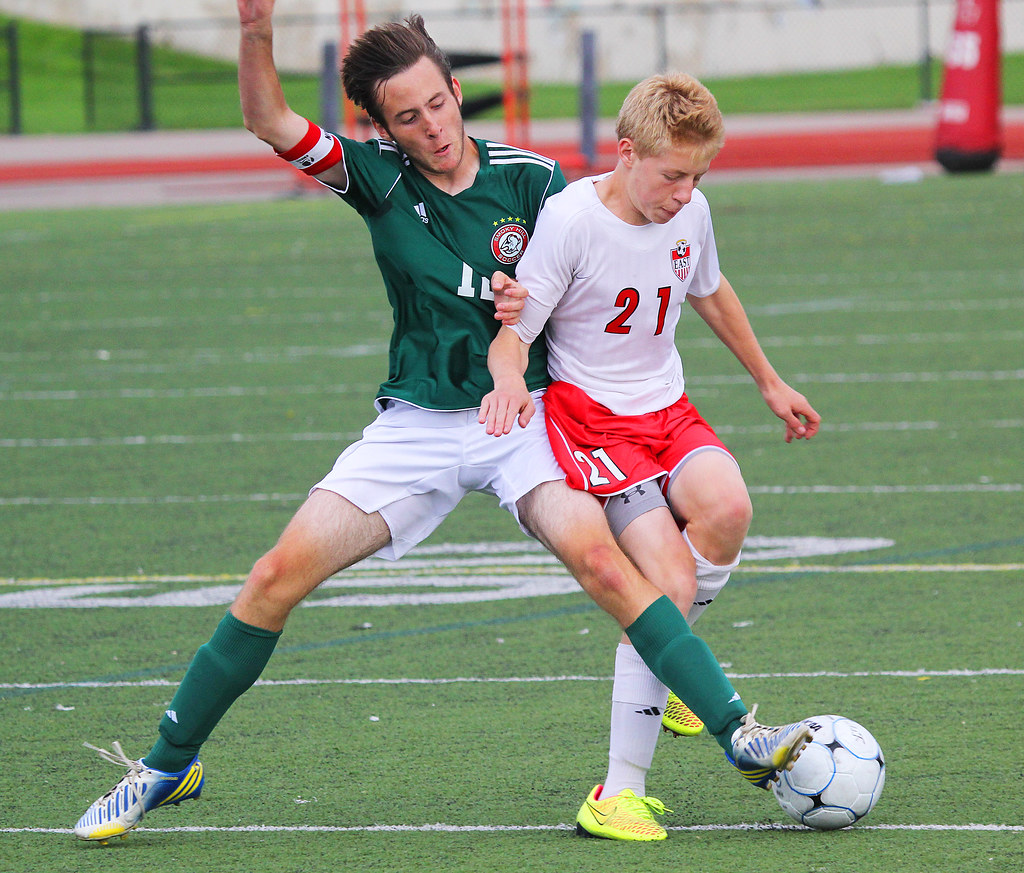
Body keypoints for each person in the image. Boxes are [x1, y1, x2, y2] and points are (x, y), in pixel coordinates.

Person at [73, 4, 812, 845]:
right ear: (382, 126)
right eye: (407, 116)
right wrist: (254, 32)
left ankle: (737, 733)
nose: (433, 127)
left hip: (525, 417)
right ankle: (167, 764)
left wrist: (544, 315)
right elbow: (268, 120)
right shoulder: (374, 178)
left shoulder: (534, 180)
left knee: (607, 564)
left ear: (459, 91)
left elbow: (588, 266)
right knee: (275, 575)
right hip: (417, 425)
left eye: (439, 102)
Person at [480, 72, 822, 841]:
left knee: (729, 506)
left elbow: (708, 287)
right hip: (595, 423)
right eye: (672, 174)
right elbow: (515, 331)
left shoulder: (689, 210)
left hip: (666, 408)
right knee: (663, 578)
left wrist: (769, 381)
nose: (685, 193)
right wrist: (506, 383)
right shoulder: (570, 220)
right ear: (626, 152)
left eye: (698, 176)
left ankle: (676, 659)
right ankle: (617, 790)